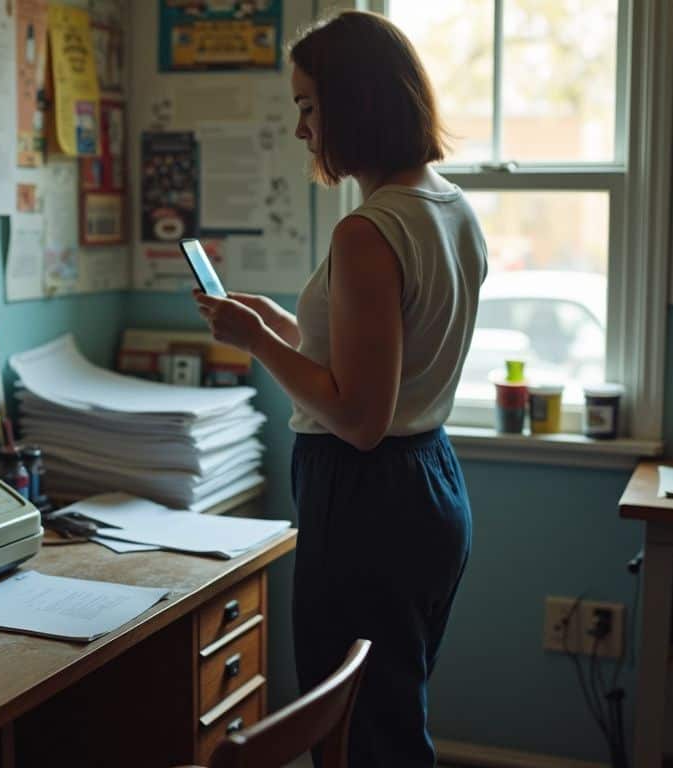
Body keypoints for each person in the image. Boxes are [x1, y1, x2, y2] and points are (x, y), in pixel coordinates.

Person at [193, 11, 486, 767]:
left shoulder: (368, 231)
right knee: (392, 707)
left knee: (358, 735)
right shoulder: (449, 208)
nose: (301, 130)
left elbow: (358, 416)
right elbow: (383, 362)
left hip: (365, 495)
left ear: (352, 106)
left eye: (307, 107)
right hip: (429, 480)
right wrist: (289, 327)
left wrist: (255, 343)